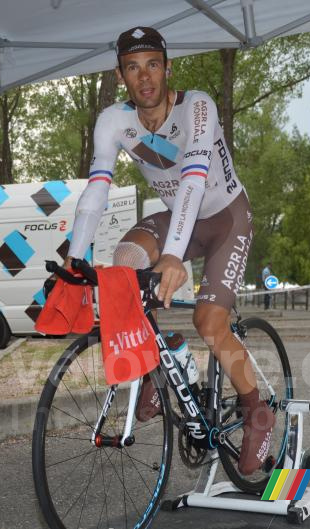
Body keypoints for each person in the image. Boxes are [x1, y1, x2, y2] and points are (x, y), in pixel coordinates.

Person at [61, 27, 272, 475]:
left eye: (153, 64)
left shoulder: (197, 106)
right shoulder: (113, 121)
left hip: (225, 219)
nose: (145, 76)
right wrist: (73, 257)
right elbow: (98, 187)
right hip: (179, 216)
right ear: (121, 76)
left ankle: (259, 411)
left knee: (209, 323)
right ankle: (159, 359)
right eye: (133, 68)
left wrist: (174, 255)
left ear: (167, 67)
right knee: (125, 264)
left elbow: (194, 177)